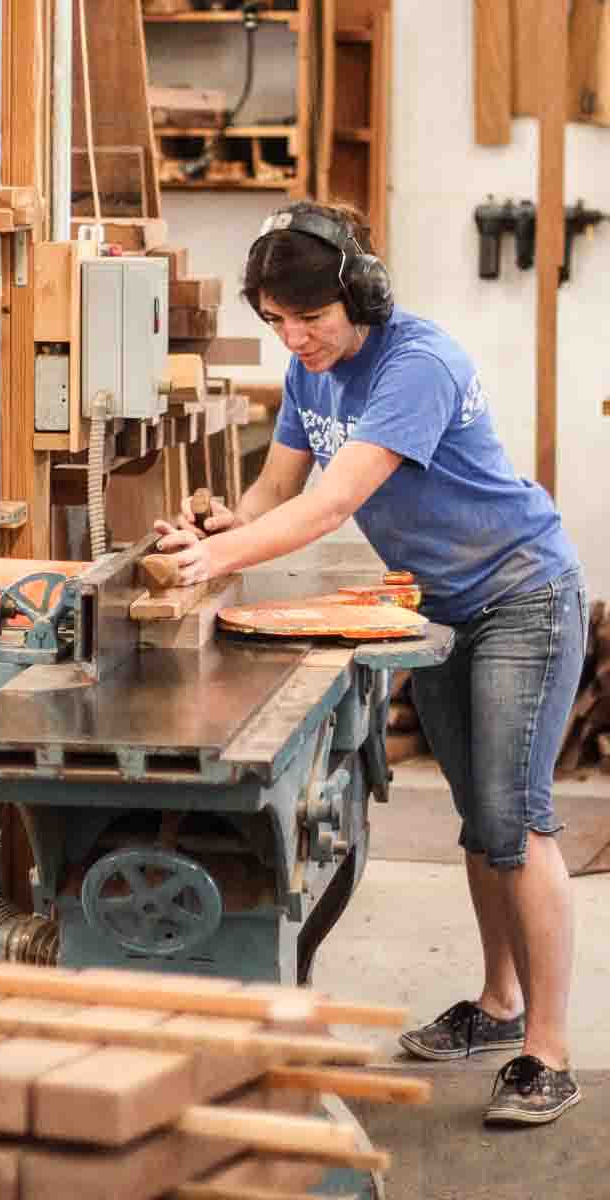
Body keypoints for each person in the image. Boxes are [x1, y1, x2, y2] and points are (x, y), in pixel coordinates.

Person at [153, 200, 587, 1127]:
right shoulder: (312, 372)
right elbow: (279, 491)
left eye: (310, 318)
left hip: (521, 597)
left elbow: (334, 501)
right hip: (439, 604)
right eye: (276, 321)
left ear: (360, 294)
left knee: (520, 821)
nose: (295, 337)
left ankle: (548, 1053)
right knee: (480, 821)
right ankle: (499, 1006)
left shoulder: (416, 364)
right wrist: (222, 526)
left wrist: (217, 564)